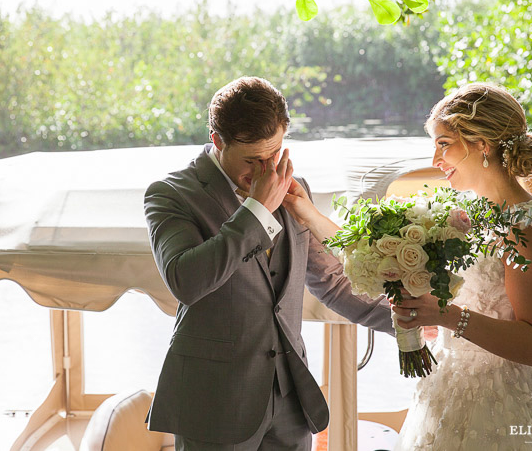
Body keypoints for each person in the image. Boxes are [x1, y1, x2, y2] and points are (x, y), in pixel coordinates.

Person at [282, 82, 532, 450]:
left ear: (481, 144)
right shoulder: (462, 211)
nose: (435, 160)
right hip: (446, 388)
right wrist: (304, 210)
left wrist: (447, 316)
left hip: (507, 401)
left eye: (443, 143)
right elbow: (368, 250)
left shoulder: (528, 228)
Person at [144, 76, 394, 451]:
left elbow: (330, 282)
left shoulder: (294, 188)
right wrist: (257, 209)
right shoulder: (171, 194)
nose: (266, 171)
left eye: (274, 154)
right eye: (252, 160)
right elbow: (186, 281)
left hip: (292, 399)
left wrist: (405, 321)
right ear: (217, 141)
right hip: (215, 402)